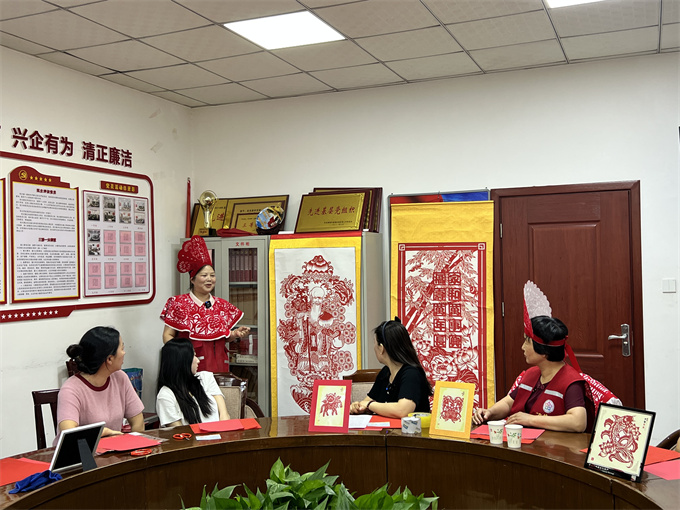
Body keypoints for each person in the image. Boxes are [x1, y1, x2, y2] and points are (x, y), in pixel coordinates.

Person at [473, 315, 588, 433]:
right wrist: (489, 413)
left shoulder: (571, 381)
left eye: (527, 342)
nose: (523, 347)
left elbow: (578, 422)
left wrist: (530, 420)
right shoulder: (531, 374)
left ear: (543, 351)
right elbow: (508, 403)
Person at [161, 235, 250, 372]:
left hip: (220, 368)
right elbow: (167, 335)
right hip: (191, 368)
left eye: (212, 275)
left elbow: (221, 337)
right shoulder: (178, 303)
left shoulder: (222, 305)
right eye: (204, 275)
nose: (209, 279)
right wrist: (183, 355)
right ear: (192, 279)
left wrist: (235, 334)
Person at [55, 326, 144, 445]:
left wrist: (135, 446)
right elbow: (69, 434)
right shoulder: (71, 390)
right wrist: (103, 432)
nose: (124, 353)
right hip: (81, 454)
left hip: (114, 451)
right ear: (110, 359)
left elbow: (137, 420)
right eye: (122, 348)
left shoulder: (120, 377)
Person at [350, 317, 432, 418]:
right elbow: (367, 401)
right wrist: (358, 406)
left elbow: (403, 410)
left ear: (381, 348)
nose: (374, 348)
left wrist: (369, 405)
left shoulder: (412, 374)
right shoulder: (386, 372)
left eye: (375, 344)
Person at [156, 339, 229, 427]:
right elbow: (178, 431)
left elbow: (224, 415)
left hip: (219, 433)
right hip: (190, 436)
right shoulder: (165, 395)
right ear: (182, 361)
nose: (198, 360)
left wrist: (222, 432)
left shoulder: (206, 378)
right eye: (194, 356)